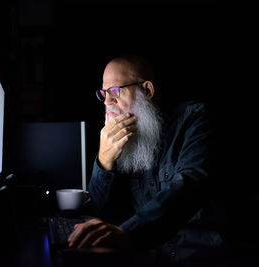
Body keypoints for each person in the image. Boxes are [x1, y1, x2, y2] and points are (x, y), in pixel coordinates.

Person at [67, 54, 226, 265]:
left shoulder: (195, 118)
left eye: (115, 91)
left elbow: (189, 187)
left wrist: (127, 233)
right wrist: (104, 160)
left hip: (205, 257)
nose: (107, 101)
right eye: (104, 93)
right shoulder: (123, 139)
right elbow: (103, 210)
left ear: (147, 90)